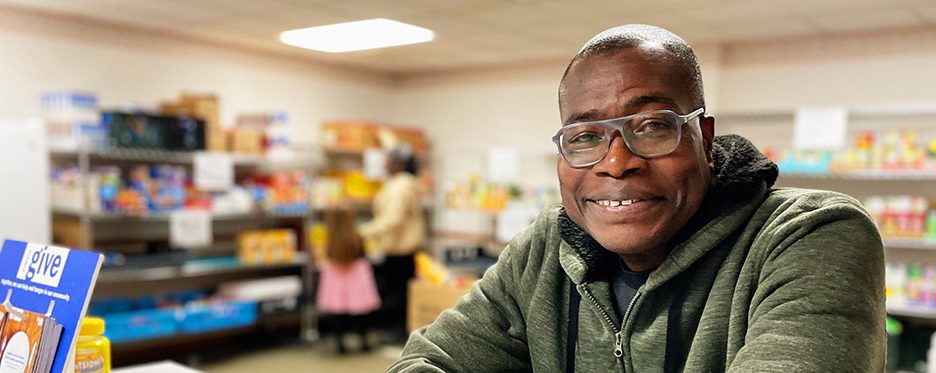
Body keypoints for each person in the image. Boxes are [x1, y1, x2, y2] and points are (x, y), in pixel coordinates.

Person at [391, 24, 885, 372]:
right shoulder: (545, 249)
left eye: (651, 126)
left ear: (705, 139)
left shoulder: (808, 235)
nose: (614, 161)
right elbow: (427, 363)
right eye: (585, 136)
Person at [359, 144, 427, 341]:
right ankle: (397, 329)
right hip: (398, 248)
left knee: (399, 293)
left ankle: (399, 332)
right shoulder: (401, 183)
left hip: (401, 249)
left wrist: (363, 232)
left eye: (387, 159)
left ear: (398, 163)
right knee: (398, 290)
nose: (384, 163)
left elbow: (393, 218)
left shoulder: (401, 186)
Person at [316, 208, 380, 354]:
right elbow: (363, 254)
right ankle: (364, 342)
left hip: (336, 276)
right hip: (356, 275)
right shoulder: (357, 236)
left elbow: (326, 255)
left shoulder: (329, 238)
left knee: (338, 313)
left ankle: (340, 345)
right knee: (362, 312)